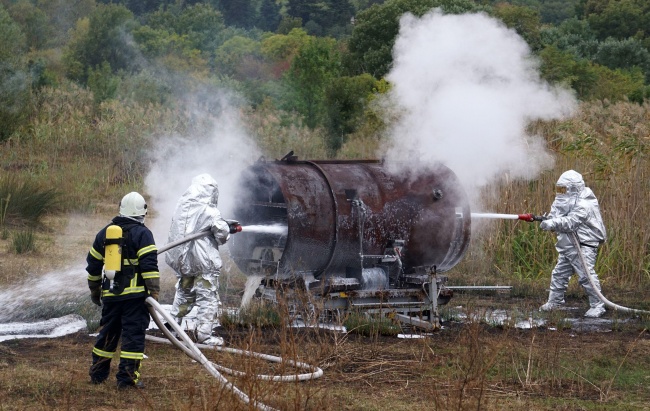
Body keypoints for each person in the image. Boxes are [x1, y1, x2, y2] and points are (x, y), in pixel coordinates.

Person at [86, 191, 160, 388]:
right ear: (142, 212)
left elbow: (93, 265)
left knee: (107, 335)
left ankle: (97, 375)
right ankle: (127, 381)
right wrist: (154, 292)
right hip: (135, 299)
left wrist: (95, 290)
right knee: (132, 338)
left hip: (111, 296)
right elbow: (149, 266)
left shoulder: (104, 233)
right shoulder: (143, 233)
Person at [165, 174, 232, 346]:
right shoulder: (210, 211)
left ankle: (172, 328)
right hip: (204, 264)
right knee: (207, 298)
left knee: (184, 294)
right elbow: (222, 235)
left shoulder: (181, 207)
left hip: (184, 262)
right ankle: (204, 336)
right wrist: (227, 228)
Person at [538, 170, 607, 318]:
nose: (561, 192)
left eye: (564, 189)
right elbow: (556, 216)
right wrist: (547, 220)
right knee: (559, 274)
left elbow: (571, 222)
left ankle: (598, 305)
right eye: (559, 189)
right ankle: (555, 302)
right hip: (569, 245)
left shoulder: (585, 203)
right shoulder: (561, 200)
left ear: (574, 188)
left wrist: (553, 223)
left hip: (583, 245)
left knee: (586, 276)